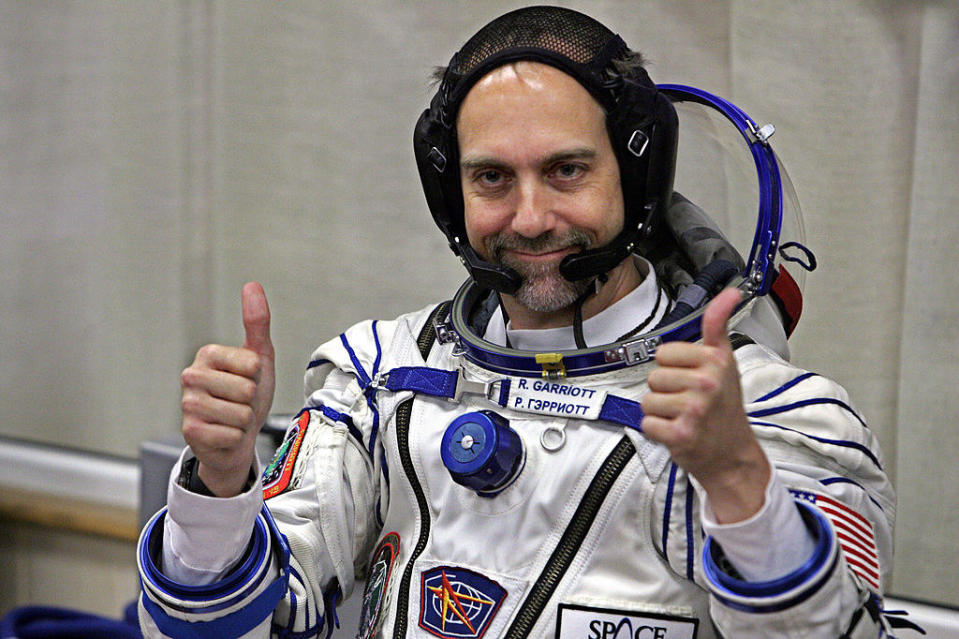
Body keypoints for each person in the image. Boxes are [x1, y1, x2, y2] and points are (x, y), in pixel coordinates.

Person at [137, 6, 901, 638]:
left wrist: (737, 482)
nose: (530, 218)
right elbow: (209, 626)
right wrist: (220, 484)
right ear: (451, 195)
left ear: (635, 176)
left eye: (566, 170)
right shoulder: (378, 381)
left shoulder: (768, 414)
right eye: (492, 178)